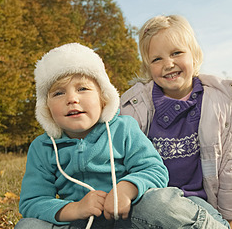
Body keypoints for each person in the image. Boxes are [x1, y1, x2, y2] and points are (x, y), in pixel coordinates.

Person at [15, 43, 227, 229]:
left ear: (103, 99)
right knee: (28, 224)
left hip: (133, 218)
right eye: (58, 93)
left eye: (82, 88)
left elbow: (154, 169)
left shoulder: (123, 129)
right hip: (82, 222)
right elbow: (32, 201)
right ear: (46, 108)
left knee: (158, 204)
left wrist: (126, 189)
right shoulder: (42, 147)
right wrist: (75, 209)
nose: (72, 98)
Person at [120, 15, 232, 229]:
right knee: (152, 205)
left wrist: (229, 216)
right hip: (148, 200)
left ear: (194, 54)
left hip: (196, 202)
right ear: (147, 66)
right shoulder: (133, 107)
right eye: (157, 59)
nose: (168, 64)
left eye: (176, 53)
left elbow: (229, 163)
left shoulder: (218, 103)